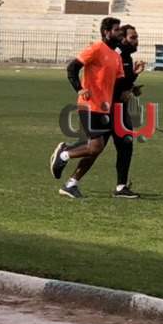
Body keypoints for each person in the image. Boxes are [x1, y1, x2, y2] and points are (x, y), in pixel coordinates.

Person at [50, 17, 123, 199]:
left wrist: (133, 81)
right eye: (116, 29)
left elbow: (118, 85)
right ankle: (64, 154)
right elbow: (72, 68)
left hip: (104, 109)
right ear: (106, 32)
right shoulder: (97, 48)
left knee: (95, 149)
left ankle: (71, 185)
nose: (119, 32)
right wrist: (80, 89)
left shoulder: (116, 57)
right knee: (95, 146)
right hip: (89, 105)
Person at [111, 24, 146, 198]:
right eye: (133, 37)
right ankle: (66, 154)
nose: (136, 40)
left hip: (118, 107)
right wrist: (127, 87)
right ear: (123, 38)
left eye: (136, 37)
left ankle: (121, 186)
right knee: (95, 148)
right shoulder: (117, 54)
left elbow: (123, 80)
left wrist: (132, 87)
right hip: (111, 108)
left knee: (123, 146)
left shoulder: (125, 55)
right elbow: (111, 80)